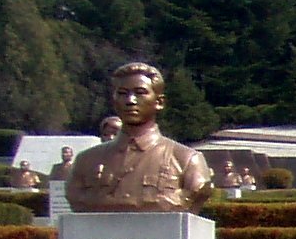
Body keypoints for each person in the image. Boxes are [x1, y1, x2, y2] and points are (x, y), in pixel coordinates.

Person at [64, 62, 213, 212]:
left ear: (159, 102)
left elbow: (196, 191)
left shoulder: (187, 160)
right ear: (114, 100)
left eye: (140, 92)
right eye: (122, 93)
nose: (130, 101)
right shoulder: (85, 161)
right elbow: (76, 197)